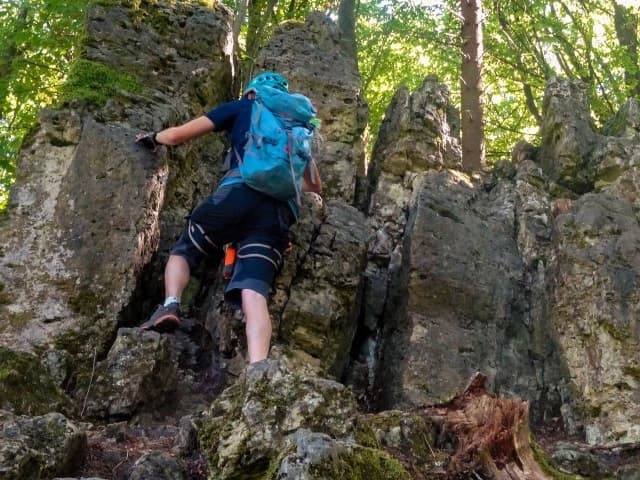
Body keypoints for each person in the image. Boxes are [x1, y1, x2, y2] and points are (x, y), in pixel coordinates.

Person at [135, 72, 322, 363]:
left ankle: (170, 304)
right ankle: (258, 369)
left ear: (252, 92)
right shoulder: (294, 127)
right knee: (254, 291)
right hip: (276, 216)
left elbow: (177, 136)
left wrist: (153, 137)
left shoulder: (242, 107)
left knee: (185, 249)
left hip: (236, 195)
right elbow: (314, 186)